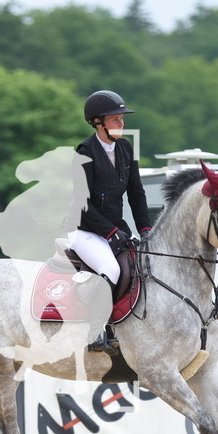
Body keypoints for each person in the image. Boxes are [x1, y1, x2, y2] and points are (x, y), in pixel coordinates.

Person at [71, 90, 152, 353]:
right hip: (85, 229)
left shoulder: (126, 149)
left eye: (121, 119)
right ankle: (94, 332)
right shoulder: (85, 152)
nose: (121, 124)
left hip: (115, 229)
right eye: (116, 120)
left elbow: (137, 194)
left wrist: (146, 228)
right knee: (112, 269)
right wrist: (110, 231)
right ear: (98, 123)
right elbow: (83, 204)